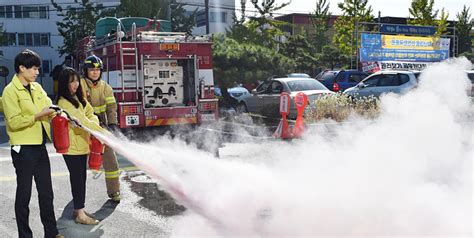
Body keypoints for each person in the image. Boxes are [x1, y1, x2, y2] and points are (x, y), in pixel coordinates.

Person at [2, 49, 64, 238]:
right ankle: (25, 235)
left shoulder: (36, 88)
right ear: (21, 68)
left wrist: (56, 111)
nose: (37, 72)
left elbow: (47, 105)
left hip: (39, 146)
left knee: (46, 193)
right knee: (24, 195)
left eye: (38, 68)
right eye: (34, 68)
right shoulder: (10, 92)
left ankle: (51, 233)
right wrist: (39, 115)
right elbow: (13, 122)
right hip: (23, 149)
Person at [56, 67, 106, 225]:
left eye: (77, 80)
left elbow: (90, 114)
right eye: (71, 82)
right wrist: (103, 134)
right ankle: (79, 214)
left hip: (82, 145)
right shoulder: (64, 102)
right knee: (77, 179)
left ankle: (80, 209)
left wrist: (95, 124)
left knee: (81, 178)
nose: (75, 84)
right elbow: (82, 121)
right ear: (64, 84)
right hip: (72, 148)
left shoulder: (78, 98)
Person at [80, 55, 121, 202]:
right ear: (85, 71)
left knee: (111, 160)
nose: (95, 72)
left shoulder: (105, 87)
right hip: (83, 128)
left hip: (102, 127)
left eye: (98, 70)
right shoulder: (80, 85)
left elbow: (111, 107)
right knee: (80, 163)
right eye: (91, 69)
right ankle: (79, 195)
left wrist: (112, 124)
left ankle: (114, 191)